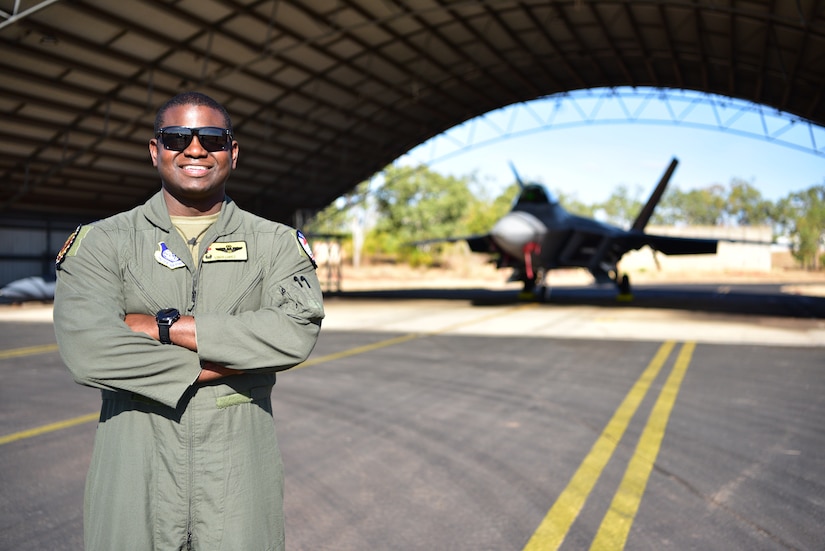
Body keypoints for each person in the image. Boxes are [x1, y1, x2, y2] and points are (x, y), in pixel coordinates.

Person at [53, 91, 324, 551]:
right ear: (155, 150)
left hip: (239, 475)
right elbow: (89, 351)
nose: (194, 149)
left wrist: (165, 329)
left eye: (212, 139)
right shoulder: (102, 243)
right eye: (177, 137)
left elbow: (293, 334)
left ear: (232, 153)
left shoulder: (275, 244)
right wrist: (237, 358)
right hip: (134, 465)